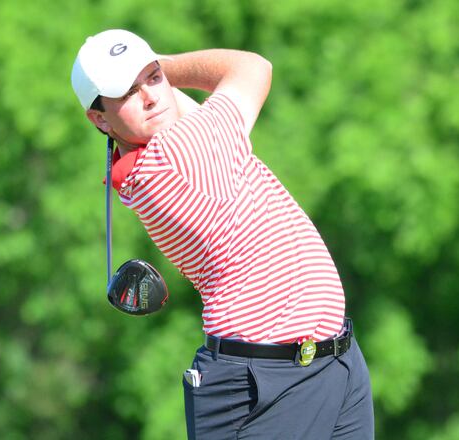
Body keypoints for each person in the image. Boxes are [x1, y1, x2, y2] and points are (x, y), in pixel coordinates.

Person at [71, 29, 374, 439]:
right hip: (265, 384)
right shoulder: (178, 154)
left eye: (152, 78)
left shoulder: (154, 152)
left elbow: (167, 109)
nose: (150, 96)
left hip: (330, 362)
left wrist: (146, 75)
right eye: (126, 92)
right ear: (99, 119)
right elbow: (253, 67)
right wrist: (166, 65)